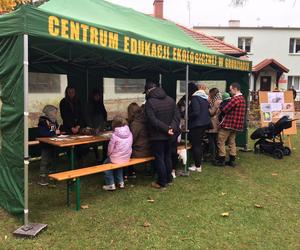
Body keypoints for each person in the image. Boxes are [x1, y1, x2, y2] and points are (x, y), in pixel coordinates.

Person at [144, 81, 180, 189]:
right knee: (167, 156)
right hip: (170, 135)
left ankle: (161, 182)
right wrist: (171, 128)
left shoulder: (149, 103)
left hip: (157, 135)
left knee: (159, 158)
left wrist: (166, 129)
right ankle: (168, 178)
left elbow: (152, 120)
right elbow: (177, 116)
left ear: (148, 90)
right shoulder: (170, 99)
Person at [215, 83, 246, 167]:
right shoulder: (242, 99)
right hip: (236, 125)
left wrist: (219, 105)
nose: (230, 91)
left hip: (228, 124)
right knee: (232, 142)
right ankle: (232, 160)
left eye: (231, 89)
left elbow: (225, 110)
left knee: (221, 141)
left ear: (235, 89)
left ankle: (221, 160)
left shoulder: (235, 99)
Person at [102, 116, 133, 191]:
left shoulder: (114, 135)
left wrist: (108, 155)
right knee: (119, 166)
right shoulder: (129, 133)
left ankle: (110, 184)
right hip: (126, 157)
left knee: (106, 166)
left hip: (116, 158)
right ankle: (120, 182)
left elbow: (110, 148)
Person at [188, 82, 212, 172]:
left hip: (196, 125)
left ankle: (197, 166)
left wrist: (187, 116)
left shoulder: (195, 97)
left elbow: (196, 112)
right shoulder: (205, 98)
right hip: (204, 124)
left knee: (196, 145)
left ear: (197, 88)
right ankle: (198, 163)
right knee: (199, 145)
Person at [126, 103, 151, 179]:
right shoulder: (146, 119)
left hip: (140, 151)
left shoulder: (135, 124)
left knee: (124, 151)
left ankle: (129, 173)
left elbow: (131, 139)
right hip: (149, 149)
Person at [37, 105, 60, 186]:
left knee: (54, 159)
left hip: (54, 144)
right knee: (45, 161)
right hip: (46, 145)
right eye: (54, 113)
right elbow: (42, 133)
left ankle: (52, 176)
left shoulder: (53, 120)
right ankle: (42, 178)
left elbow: (54, 130)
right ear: (49, 113)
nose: (55, 114)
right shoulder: (43, 121)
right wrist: (54, 133)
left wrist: (58, 131)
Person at [86, 89, 107, 161]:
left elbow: (104, 115)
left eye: (98, 96)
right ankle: (97, 157)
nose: (97, 97)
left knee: (105, 141)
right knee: (94, 142)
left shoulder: (100, 104)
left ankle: (104, 157)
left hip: (101, 126)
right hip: (93, 126)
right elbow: (88, 116)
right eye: (96, 96)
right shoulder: (90, 105)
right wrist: (92, 127)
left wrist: (101, 126)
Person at [206, 88, 222, 162]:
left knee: (211, 140)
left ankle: (213, 157)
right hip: (217, 122)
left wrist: (207, 106)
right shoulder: (219, 99)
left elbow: (212, 113)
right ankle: (216, 155)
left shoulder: (216, 101)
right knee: (215, 140)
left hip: (213, 123)